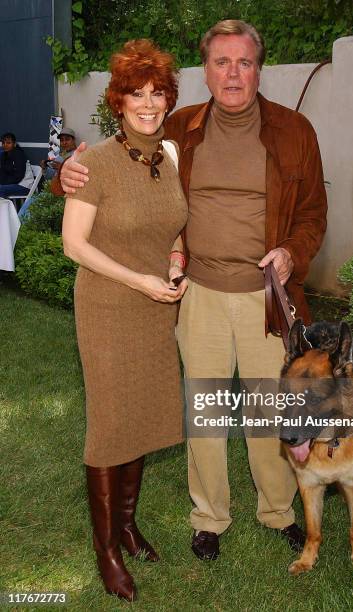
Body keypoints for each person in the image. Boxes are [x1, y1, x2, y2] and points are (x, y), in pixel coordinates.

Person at [56, 20, 327, 563]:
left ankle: (278, 511)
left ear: (258, 68)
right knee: (205, 412)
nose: (233, 73)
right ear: (206, 71)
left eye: (244, 62)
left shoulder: (295, 131)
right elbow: (125, 155)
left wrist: (292, 252)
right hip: (197, 293)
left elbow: (314, 214)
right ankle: (209, 516)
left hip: (266, 295)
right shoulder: (180, 128)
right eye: (222, 62)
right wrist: (71, 170)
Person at [61, 39, 188, 601]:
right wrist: (138, 280)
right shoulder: (94, 164)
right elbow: (73, 244)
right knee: (112, 424)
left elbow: (175, 222)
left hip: (157, 309)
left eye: (157, 92)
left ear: (168, 99)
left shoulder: (172, 155)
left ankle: (129, 524)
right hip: (110, 308)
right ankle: (106, 550)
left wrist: (177, 257)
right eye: (136, 93)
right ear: (118, 101)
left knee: (143, 415)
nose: (148, 103)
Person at [0, 133, 33, 198]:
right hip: (10, 184)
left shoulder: (19, 155)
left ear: (14, 144)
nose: (5, 145)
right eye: (3, 143)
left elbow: (18, 176)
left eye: (8, 143)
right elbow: (3, 172)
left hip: (24, 185)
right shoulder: (3, 155)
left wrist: (4, 184)